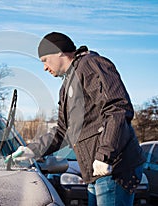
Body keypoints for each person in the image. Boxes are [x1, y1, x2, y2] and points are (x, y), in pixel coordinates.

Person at [12, 32, 146, 206]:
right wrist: (32, 149)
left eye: (45, 59)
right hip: (94, 170)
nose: (44, 67)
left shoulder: (90, 64)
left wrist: (105, 155)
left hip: (114, 167)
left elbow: (117, 108)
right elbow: (62, 131)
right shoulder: (67, 85)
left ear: (59, 51)